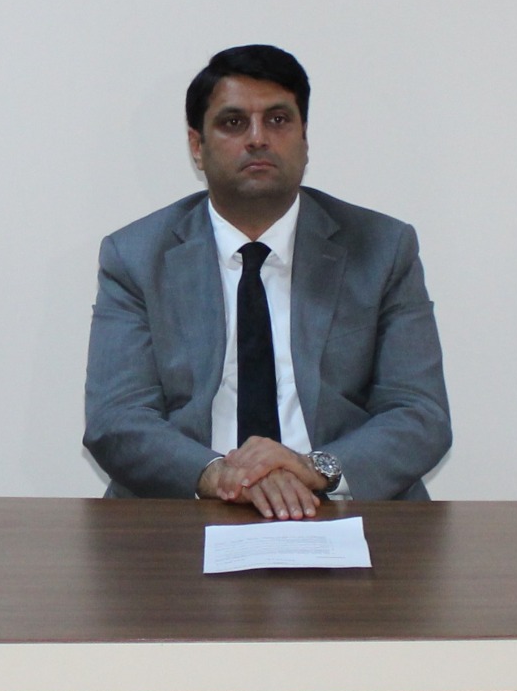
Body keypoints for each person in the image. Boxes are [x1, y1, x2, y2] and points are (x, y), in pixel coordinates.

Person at [85, 45, 449, 514]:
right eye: (233, 122)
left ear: (304, 138)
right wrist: (221, 475)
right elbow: (116, 418)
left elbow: (420, 413)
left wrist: (314, 468)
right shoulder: (136, 256)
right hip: (186, 506)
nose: (258, 138)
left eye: (278, 120)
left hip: (340, 505)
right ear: (197, 146)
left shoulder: (382, 248)